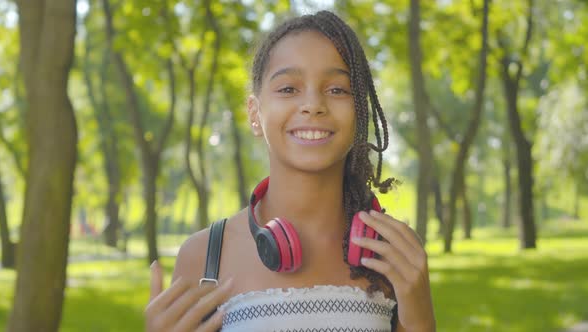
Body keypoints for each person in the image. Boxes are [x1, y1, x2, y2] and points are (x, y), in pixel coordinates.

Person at [145, 10, 435, 332]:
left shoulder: (394, 253)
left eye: (337, 89)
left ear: (359, 112)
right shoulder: (203, 256)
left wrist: (421, 318)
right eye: (287, 89)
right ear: (255, 114)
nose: (313, 104)